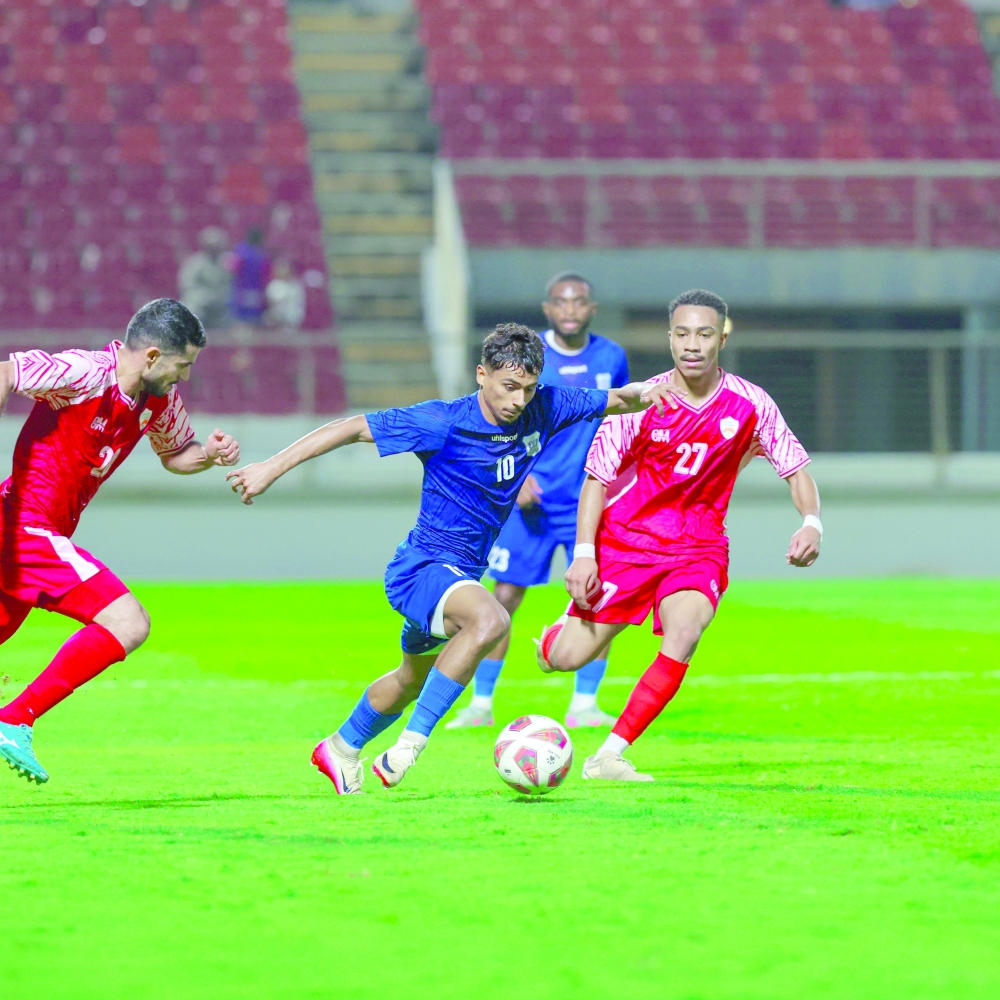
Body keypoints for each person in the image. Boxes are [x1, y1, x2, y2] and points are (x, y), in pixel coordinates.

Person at [226, 323, 681, 795]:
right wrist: (269, 467)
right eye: (508, 387)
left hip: (460, 576)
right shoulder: (443, 421)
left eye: (527, 388)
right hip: (421, 570)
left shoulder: (545, 405)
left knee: (411, 678)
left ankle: (340, 748)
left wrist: (652, 391)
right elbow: (353, 427)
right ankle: (408, 749)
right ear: (481, 374)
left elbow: (620, 400)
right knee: (492, 620)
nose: (518, 400)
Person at [535, 289, 822, 782]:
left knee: (686, 631)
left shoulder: (751, 403)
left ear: (722, 337)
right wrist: (584, 555)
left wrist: (811, 522)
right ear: (669, 338)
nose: (693, 344)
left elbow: (794, 467)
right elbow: (597, 481)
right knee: (565, 659)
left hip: (698, 547)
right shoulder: (640, 403)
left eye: (704, 334)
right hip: (625, 543)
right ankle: (554, 639)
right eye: (683, 333)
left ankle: (609, 756)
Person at [0, 299, 241, 784]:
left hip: (31, 533)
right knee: (128, 621)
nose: (185, 378)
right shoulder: (84, 372)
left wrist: (210, 456)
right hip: (25, 528)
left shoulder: (160, 401)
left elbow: (176, 455)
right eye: (183, 365)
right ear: (152, 357)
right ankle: (14, 719)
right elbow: (7, 371)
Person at [447, 273, 629, 731]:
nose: (570, 310)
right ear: (548, 309)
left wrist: (617, 479)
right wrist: (518, 475)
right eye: (561, 303)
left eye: (579, 302)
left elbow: (621, 416)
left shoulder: (611, 357)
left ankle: (585, 703)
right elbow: (499, 415)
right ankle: (481, 703)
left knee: (595, 594)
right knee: (503, 595)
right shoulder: (530, 359)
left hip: (586, 499)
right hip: (529, 498)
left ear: (592, 308)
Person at [178, 226, 231, 331]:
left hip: (223, 302)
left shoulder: (229, 261)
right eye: (211, 245)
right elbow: (188, 286)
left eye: (217, 245)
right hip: (202, 302)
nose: (214, 248)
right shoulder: (194, 263)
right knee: (189, 306)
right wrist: (206, 297)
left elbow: (235, 283)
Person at [229, 227, 271, 325]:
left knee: (249, 316)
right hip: (246, 288)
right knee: (246, 316)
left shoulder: (241, 250)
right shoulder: (259, 252)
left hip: (249, 288)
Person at [265, 259, 306, 330]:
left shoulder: (295, 285)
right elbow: (272, 302)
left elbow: (299, 304)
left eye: (284, 268)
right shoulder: (274, 285)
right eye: (279, 269)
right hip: (277, 321)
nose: (282, 271)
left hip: (292, 320)